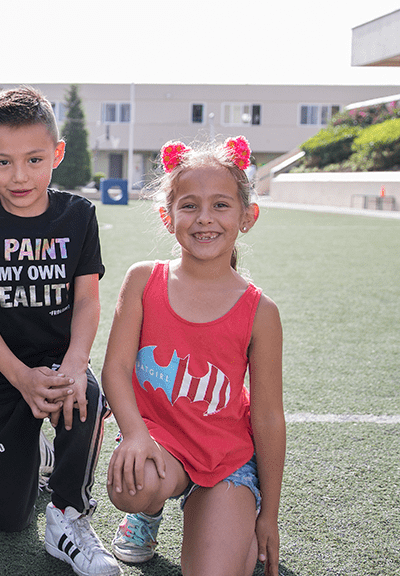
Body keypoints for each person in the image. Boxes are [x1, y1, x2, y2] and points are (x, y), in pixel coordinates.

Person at [0, 87, 121, 576]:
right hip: (3, 375)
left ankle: (68, 514)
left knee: (83, 393)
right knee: (6, 520)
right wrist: (22, 378)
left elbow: (88, 300)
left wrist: (74, 362)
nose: (19, 176)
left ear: (57, 155)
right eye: (2, 163)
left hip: (59, 359)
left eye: (34, 159)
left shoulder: (77, 214)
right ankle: (37, 451)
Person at [102, 137, 284, 576]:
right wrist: (134, 435)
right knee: (133, 486)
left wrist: (269, 517)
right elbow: (116, 368)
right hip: (159, 444)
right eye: (189, 206)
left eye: (221, 205)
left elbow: (268, 417)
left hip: (225, 457)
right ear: (167, 216)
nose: (204, 218)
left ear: (247, 217)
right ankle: (147, 512)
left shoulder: (261, 311)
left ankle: (232, 507)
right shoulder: (144, 280)